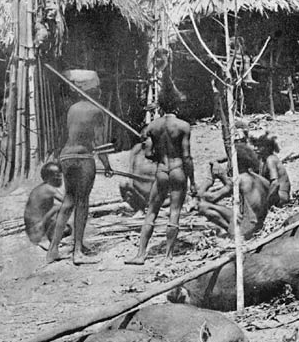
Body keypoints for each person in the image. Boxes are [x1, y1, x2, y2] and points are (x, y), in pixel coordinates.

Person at [125, 76, 197, 265]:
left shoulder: (152, 126)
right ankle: (168, 257)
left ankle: (140, 255)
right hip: (177, 169)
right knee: (174, 212)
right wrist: (194, 182)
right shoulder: (183, 126)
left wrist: (157, 151)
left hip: (161, 170)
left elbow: (148, 154)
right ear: (177, 105)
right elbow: (187, 157)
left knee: (152, 211)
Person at [46, 84, 113, 265]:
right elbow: (99, 141)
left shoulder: (72, 109)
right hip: (83, 156)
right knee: (82, 202)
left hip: (66, 156)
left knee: (68, 201)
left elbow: (68, 133)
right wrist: (107, 164)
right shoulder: (96, 111)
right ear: (96, 93)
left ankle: (53, 250)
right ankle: (77, 251)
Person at [196, 161, 270, 240]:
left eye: (229, 165)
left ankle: (234, 234)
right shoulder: (256, 177)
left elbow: (210, 198)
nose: (228, 168)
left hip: (249, 226)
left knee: (203, 207)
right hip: (260, 220)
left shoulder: (239, 180)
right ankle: (234, 229)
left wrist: (210, 180)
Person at [24, 162, 71, 250]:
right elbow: (67, 202)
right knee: (59, 208)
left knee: (67, 228)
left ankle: (49, 236)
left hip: (32, 229)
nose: (60, 178)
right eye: (57, 176)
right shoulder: (49, 189)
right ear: (48, 178)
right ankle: (44, 240)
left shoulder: (41, 188)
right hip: (37, 230)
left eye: (60, 175)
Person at [255, 134, 291, 208]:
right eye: (256, 146)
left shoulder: (270, 160)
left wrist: (266, 202)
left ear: (267, 147)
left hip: (281, 196)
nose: (256, 148)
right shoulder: (263, 160)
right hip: (275, 195)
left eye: (259, 146)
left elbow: (275, 184)